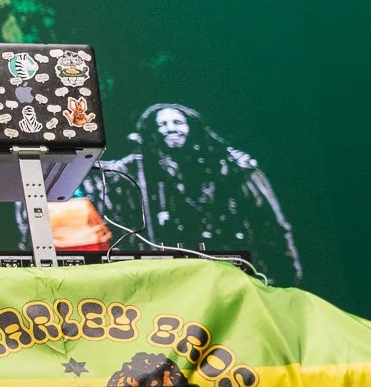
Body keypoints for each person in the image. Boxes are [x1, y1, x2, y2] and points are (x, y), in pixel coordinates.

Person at [87, 102, 302, 282]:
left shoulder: (231, 165)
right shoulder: (139, 168)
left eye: (177, 122)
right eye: (162, 124)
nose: (171, 128)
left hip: (233, 270)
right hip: (174, 276)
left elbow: (271, 223)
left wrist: (287, 273)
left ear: (192, 127)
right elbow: (104, 171)